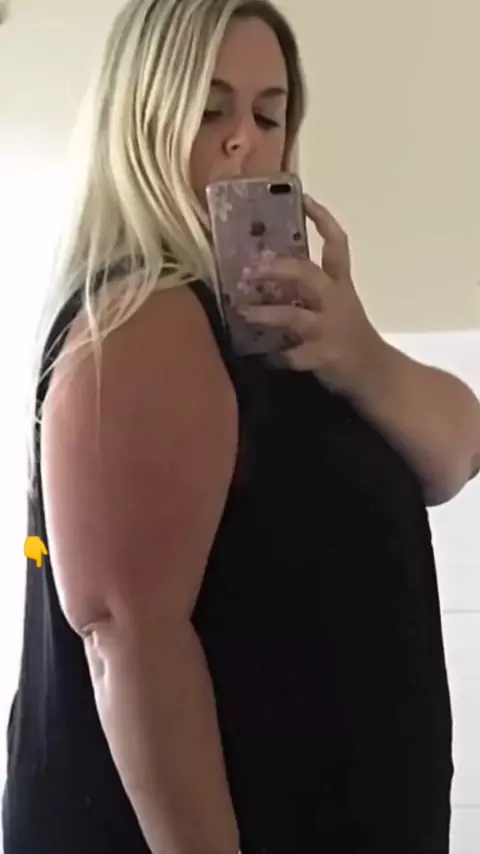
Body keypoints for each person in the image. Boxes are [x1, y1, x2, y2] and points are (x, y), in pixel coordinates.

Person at [3, 0, 480, 852]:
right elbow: (129, 641)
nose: (241, 142)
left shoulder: (279, 328)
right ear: (141, 118)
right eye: (209, 108)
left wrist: (360, 354)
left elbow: (458, 452)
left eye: (269, 114)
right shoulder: (150, 316)